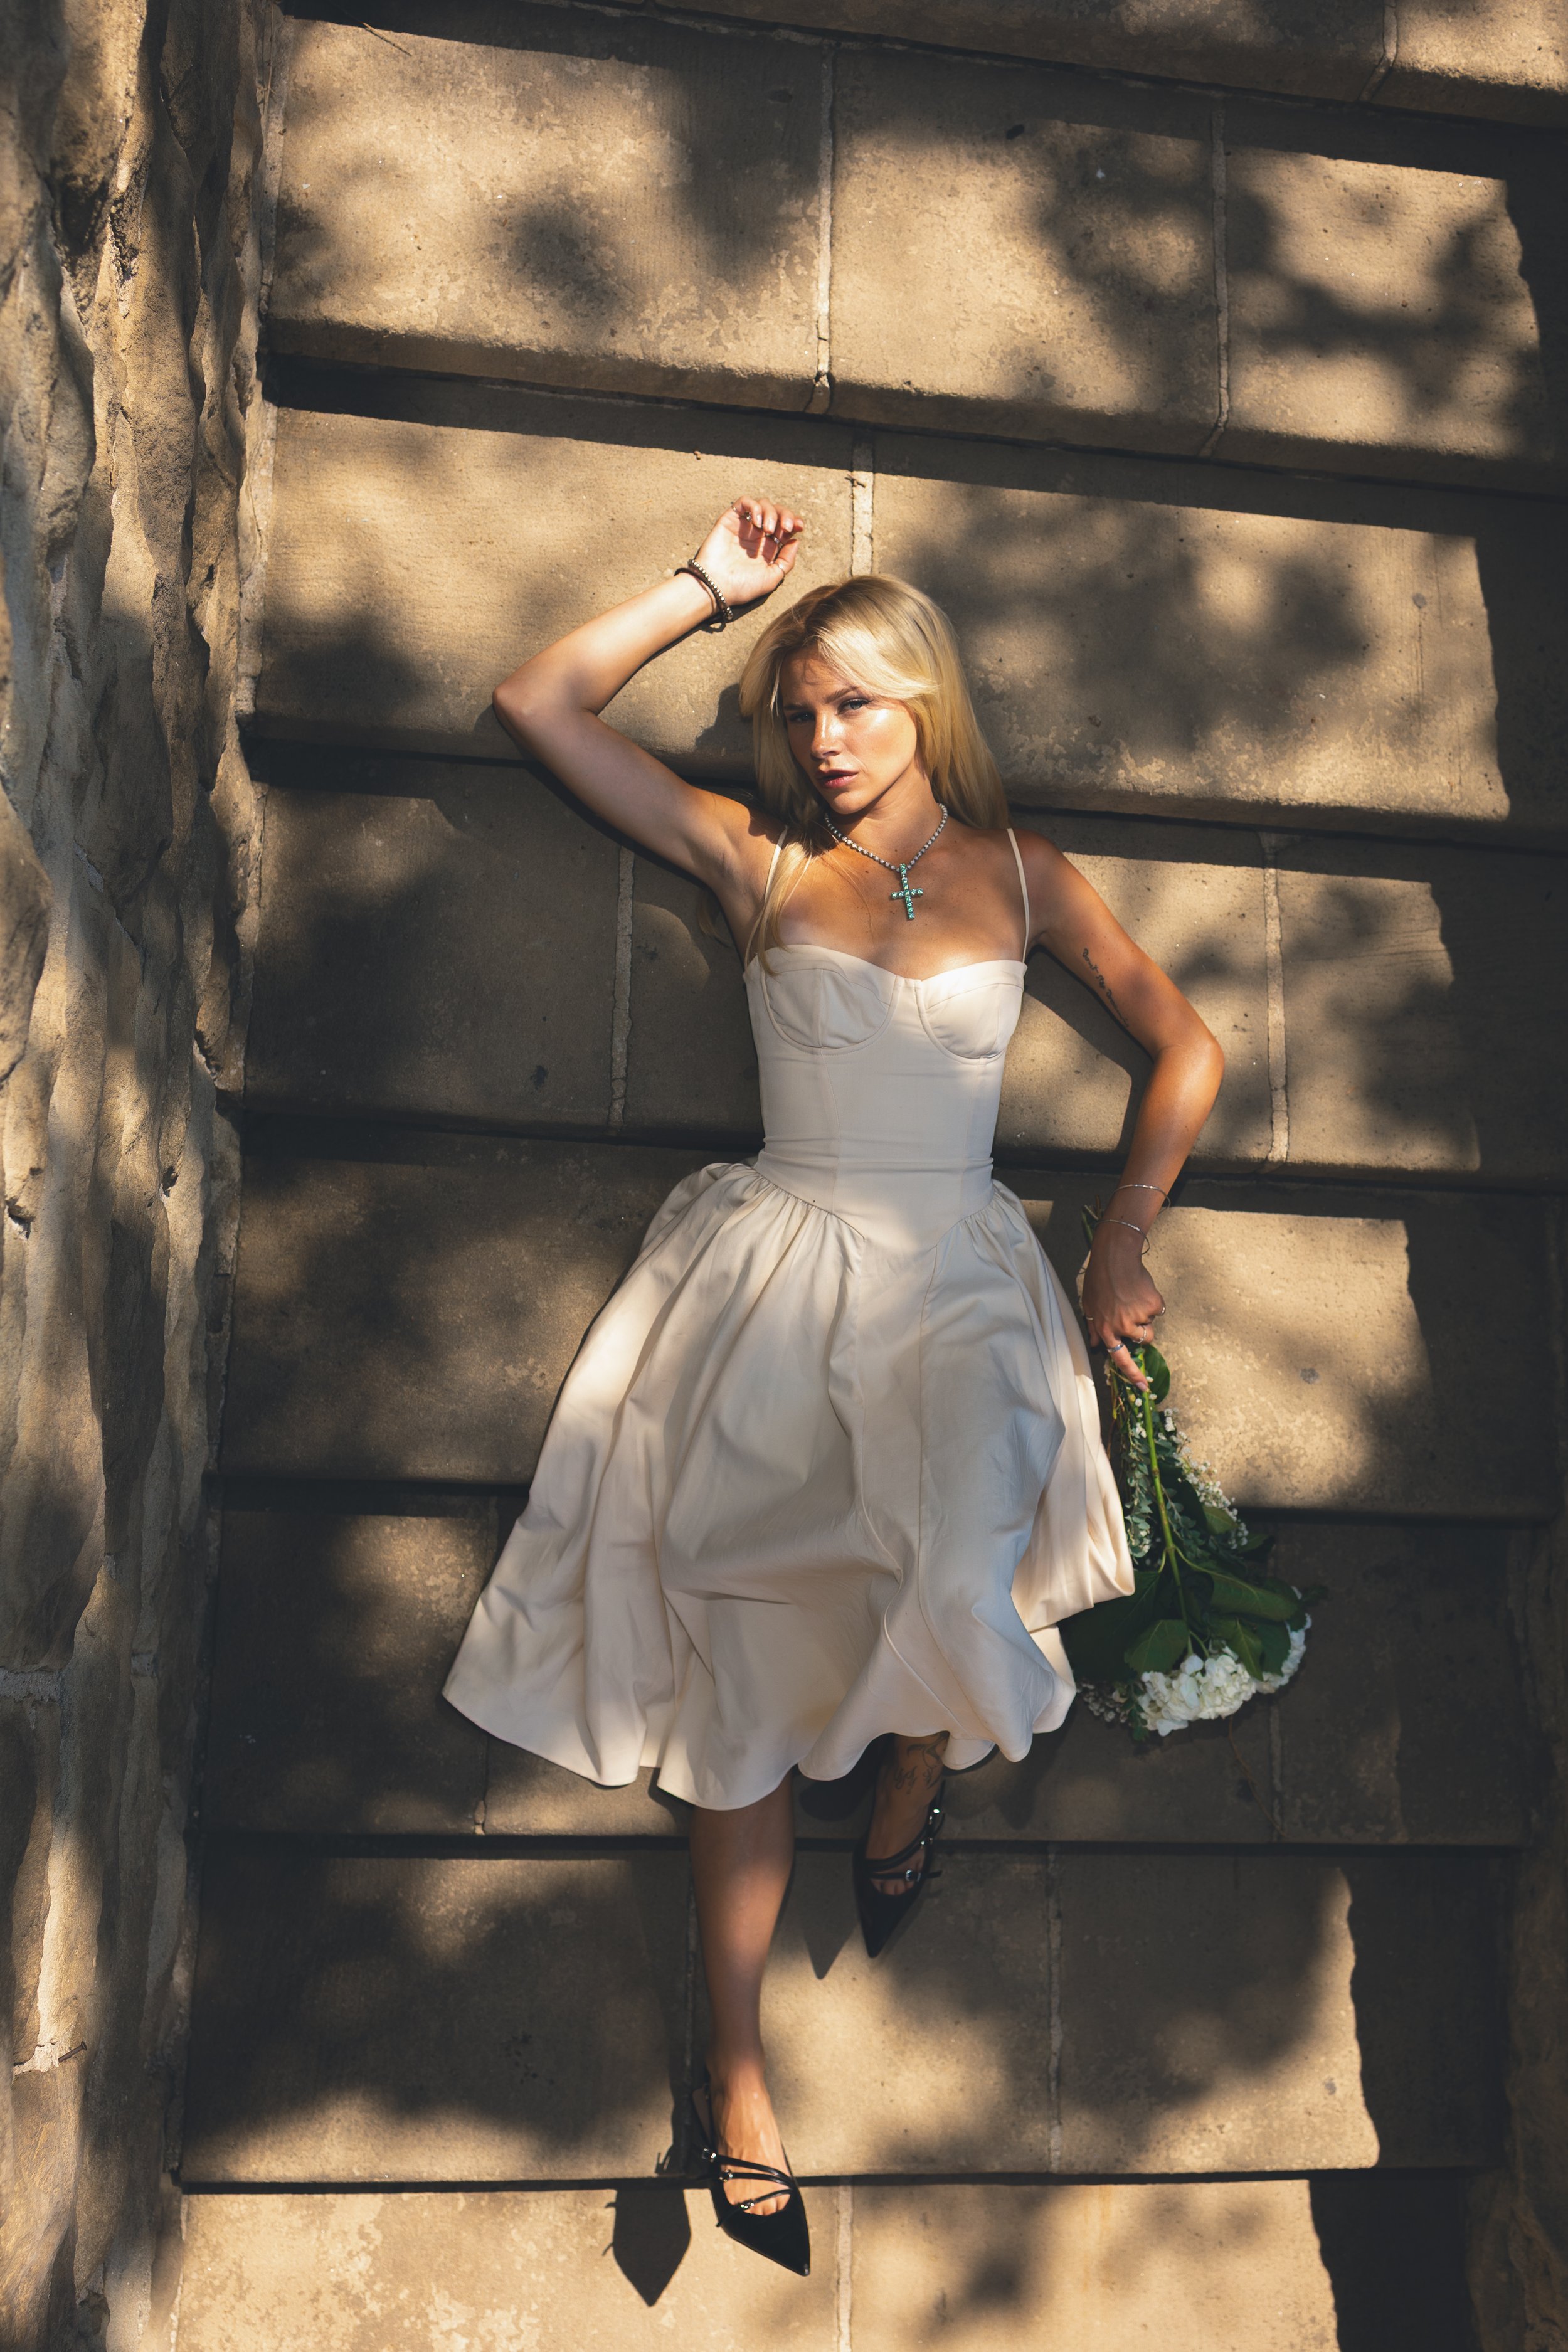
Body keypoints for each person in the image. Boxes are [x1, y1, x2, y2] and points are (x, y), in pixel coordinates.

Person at [444, 497, 1224, 2277]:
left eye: (858, 704)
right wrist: (702, 593)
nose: (822, 735)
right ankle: (735, 2078)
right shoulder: (754, 858)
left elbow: (1187, 1042)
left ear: (924, 708)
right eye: (799, 708)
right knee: (734, 1679)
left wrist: (1118, 1243)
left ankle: (903, 1779)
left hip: (956, 1288)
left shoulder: (1020, 874)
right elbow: (537, 705)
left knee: (956, 1599)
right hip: (774, 1289)